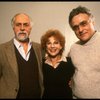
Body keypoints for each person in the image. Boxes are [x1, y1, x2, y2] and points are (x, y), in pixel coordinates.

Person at [0, 13, 44, 99]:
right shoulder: (2, 50)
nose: (22, 28)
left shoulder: (40, 48)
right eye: (18, 25)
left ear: (30, 28)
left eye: (26, 25)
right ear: (13, 28)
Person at [68, 6, 100, 98]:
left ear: (93, 22)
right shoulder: (73, 48)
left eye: (83, 24)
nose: (80, 30)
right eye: (75, 27)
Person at [40, 29, 75, 99]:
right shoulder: (41, 64)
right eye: (49, 43)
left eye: (56, 43)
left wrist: (74, 82)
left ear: (61, 46)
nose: (52, 46)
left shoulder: (70, 63)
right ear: (45, 47)